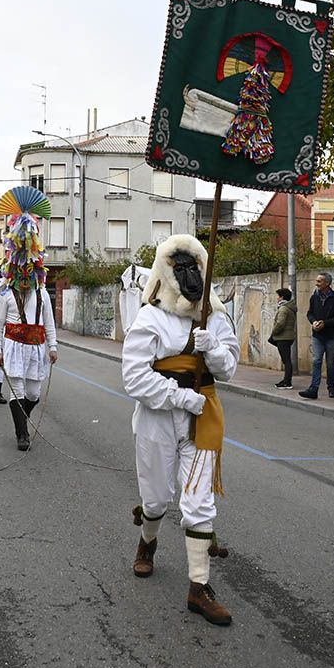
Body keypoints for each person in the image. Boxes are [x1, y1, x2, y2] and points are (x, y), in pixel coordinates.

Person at [122, 234, 239, 627]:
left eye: (195, 267)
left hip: (204, 416)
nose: (189, 275)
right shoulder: (150, 316)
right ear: (165, 270)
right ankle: (148, 540)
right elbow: (134, 378)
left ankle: (199, 587)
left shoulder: (216, 316)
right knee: (156, 499)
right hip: (159, 416)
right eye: (180, 267)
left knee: (199, 504)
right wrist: (177, 397)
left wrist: (215, 350)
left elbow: (229, 368)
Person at [0, 188, 57, 451]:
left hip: (37, 348)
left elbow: (49, 323)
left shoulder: (42, 293)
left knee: (33, 394)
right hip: (14, 346)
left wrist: (53, 346)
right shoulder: (6, 294)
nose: (26, 275)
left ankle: (22, 419)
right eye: (22, 270)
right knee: (17, 392)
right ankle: (22, 433)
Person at [299, 272, 334, 400]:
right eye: (317, 281)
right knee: (316, 361)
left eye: (319, 281)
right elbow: (310, 313)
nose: (317, 283)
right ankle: (313, 389)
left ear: (327, 283)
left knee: (330, 362)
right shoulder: (314, 297)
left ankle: (331, 387)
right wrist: (313, 321)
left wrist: (325, 323)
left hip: (332, 336)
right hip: (317, 335)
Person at [269, 287, 297, 389]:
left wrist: (273, 332)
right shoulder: (290, 308)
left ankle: (287, 382)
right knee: (287, 360)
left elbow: (280, 323)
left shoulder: (283, 309)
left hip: (283, 337)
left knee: (286, 360)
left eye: (278, 296)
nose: (277, 298)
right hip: (288, 337)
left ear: (282, 297)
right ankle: (286, 380)